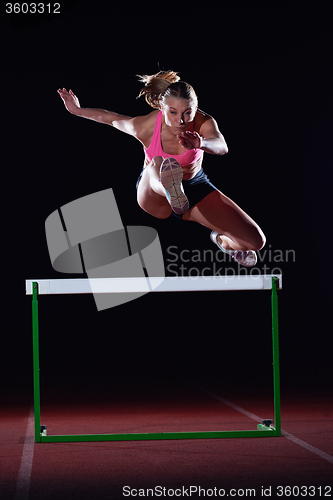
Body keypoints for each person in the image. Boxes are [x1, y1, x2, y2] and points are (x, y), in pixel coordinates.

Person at [57, 70, 265, 266]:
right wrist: (77, 110)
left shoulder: (203, 122)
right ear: (162, 108)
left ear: (196, 109)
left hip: (194, 187)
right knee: (159, 163)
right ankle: (169, 188)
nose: (180, 120)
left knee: (256, 242)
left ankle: (222, 240)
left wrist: (201, 143)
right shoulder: (146, 126)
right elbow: (111, 118)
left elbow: (221, 146)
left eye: (187, 113)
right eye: (173, 112)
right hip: (153, 194)